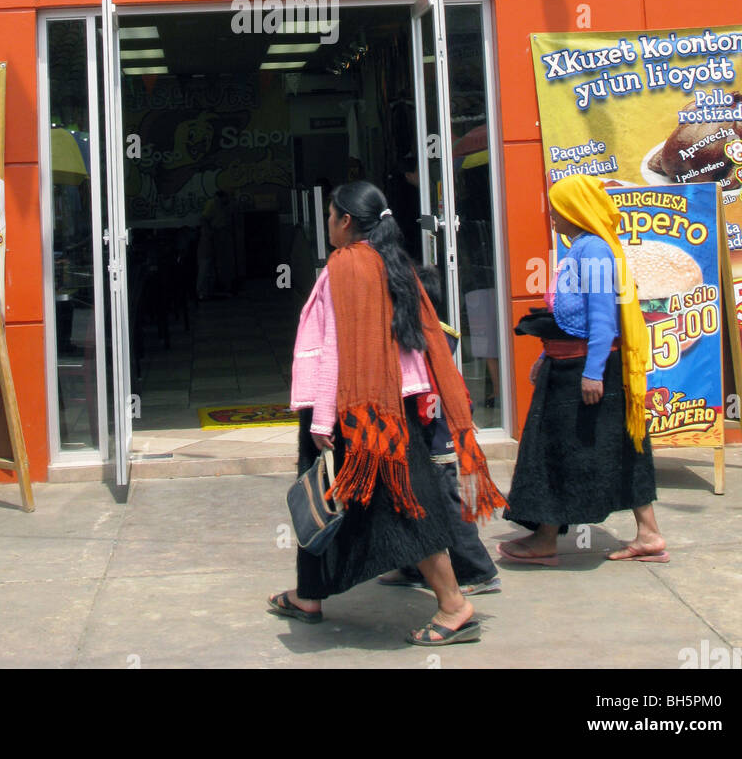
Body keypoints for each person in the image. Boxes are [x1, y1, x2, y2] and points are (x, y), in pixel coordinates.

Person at [269, 182, 506, 645]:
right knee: (328, 501)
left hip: (357, 413)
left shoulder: (348, 265)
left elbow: (338, 347)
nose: (328, 224)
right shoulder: (387, 261)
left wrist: (322, 420)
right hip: (382, 407)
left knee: (403, 505)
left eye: (331, 215)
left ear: (345, 222)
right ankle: (309, 595)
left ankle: (454, 605)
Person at [499, 174, 666, 565]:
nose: (552, 215)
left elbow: (602, 318)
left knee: (557, 448)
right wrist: (545, 355)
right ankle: (648, 534)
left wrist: (593, 373)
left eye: (558, 208)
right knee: (620, 446)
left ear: (575, 210)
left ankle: (545, 540)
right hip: (567, 363)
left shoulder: (592, 250)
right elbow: (569, 315)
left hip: (583, 370)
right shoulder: (581, 248)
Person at [380, 265, 501, 597]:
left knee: (446, 505)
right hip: (423, 434)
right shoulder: (420, 334)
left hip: (434, 435)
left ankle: (478, 571)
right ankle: (413, 566)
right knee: (409, 501)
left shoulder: (426, 339)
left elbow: (444, 388)